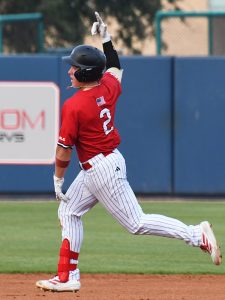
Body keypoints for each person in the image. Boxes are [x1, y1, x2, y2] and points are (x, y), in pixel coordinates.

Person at [36, 12, 222, 293]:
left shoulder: (74, 106)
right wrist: (107, 39)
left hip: (101, 169)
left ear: (85, 73)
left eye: (74, 68)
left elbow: (64, 150)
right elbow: (115, 68)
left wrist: (58, 179)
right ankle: (67, 276)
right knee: (69, 211)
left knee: (136, 223)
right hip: (103, 165)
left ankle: (196, 234)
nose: (69, 71)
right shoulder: (107, 87)